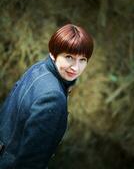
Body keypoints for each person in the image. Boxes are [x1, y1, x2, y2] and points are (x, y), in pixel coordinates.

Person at [0, 24, 94, 169]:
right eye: (69, 57)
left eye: (83, 60)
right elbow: (31, 161)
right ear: (53, 53)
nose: (76, 67)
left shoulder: (39, 68)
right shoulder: (53, 97)